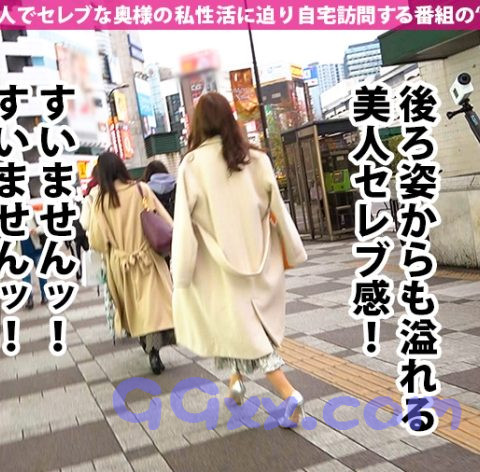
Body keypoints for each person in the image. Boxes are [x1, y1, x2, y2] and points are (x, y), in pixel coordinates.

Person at [171, 92, 308, 427]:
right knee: (237, 328)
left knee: (245, 332)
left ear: (198, 124)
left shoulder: (192, 165)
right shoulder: (256, 159)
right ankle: (235, 384)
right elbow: (279, 209)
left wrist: (182, 272)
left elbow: (184, 226)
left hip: (218, 267)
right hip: (258, 258)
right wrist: (292, 249)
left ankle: (289, 394)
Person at [88, 152, 175, 374]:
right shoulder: (140, 189)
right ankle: (155, 347)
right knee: (154, 306)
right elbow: (165, 221)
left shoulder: (101, 201)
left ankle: (147, 343)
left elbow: (97, 241)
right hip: (148, 259)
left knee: (135, 309)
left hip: (121, 264)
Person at [21, 212, 47, 310]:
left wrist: (36, 230)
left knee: (41, 274)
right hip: (22, 253)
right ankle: (29, 299)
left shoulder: (32, 212)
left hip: (37, 250)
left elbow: (45, 225)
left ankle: (44, 296)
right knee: (25, 278)